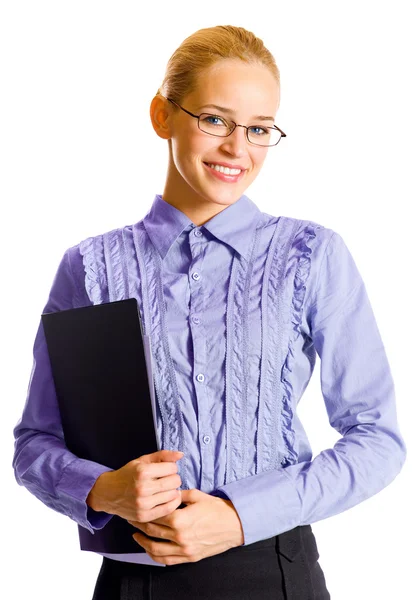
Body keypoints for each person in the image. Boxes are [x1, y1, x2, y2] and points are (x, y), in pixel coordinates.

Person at [12, 24, 406, 600]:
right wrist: (103, 489)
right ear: (162, 115)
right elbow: (35, 443)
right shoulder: (89, 266)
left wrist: (239, 515)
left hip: (276, 574)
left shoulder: (312, 254)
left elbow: (377, 439)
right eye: (215, 119)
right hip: (132, 580)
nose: (237, 149)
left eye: (260, 129)